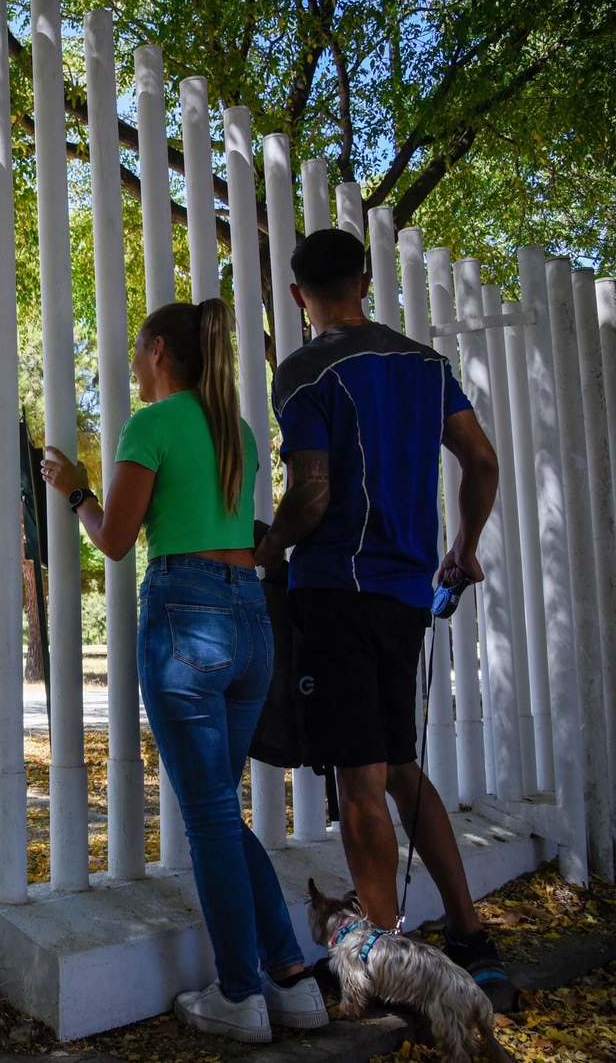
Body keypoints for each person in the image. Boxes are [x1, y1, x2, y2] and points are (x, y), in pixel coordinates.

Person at [43, 299, 326, 1043]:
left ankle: (241, 995)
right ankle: (293, 980)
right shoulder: (236, 429)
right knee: (220, 816)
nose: (133, 369)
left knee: (208, 819)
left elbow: (114, 538)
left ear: (160, 351)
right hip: (251, 619)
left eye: (137, 354)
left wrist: (74, 489)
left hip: (186, 614)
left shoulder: (152, 426)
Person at [254, 227, 516, 1009]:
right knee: (400, 767)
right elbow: (484, 461)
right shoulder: (428, 367)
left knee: (359, 778)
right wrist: (462, 547)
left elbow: (311, 493)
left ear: (299, 296)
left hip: (336, 591)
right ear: (365, 280)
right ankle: (471, 938)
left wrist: (270, 551)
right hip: (405, 595)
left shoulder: (303, 372)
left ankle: (385, 960)